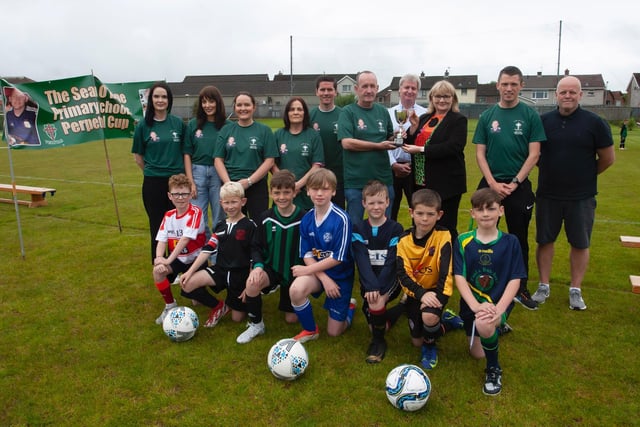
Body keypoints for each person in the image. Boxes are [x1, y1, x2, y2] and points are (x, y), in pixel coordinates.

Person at [532, 76, 615, 310]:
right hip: (548, 194)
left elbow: (608, 158)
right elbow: (535, 156)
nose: (567, 96)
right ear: (556, 94)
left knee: (580, 243)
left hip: (582, 197)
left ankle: (575, 290)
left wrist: (585, 177)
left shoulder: (595, 123)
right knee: (545, 240)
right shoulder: (543, 121)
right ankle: (543, 285)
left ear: (580, 95)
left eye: (572, 92)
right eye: (563, 92)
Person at [472, 65, 545, 311]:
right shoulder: (487, 116)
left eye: (514, 84)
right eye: (505, 84)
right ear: (497, 85)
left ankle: (520, 288)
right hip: (490, 183)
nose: (509, 88)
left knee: (518, 237)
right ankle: (480, 281)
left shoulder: (530, 115)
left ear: (521, 86)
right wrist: (492, 183)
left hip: (518, 187)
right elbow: (480, 153)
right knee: (482, 234)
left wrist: (514, 183)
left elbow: (534, 154)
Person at [453, 188, 525, 396]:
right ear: (472, 214)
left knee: (485, 324)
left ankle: (493, 369)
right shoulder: (464, 241)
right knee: (477, 353)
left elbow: (515, 279)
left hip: (497, 304)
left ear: (501, 211)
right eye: (480, 209)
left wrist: (498, 309)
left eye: (491, 209)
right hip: (472, 304)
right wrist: (475, 306)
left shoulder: (510, 242)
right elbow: (459, 277)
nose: (485, 214)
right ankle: (493, 328)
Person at [236, 170, 306, 344]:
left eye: (286, 192)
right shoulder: (265, 218)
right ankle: (256, 324)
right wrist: (258, 267)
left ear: (294, 192)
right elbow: (256, 246)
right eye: (277, 192)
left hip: (294, 271)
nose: (282, 197)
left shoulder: (304, 218)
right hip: (271, 268)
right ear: (270, 193)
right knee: (252, 283)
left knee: (291, 319)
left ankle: (293, 296)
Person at [396, 189, 462, 370]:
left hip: (437, 290)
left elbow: (446, 272)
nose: (425, 219)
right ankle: (446, 323)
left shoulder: (444, 236)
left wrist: (439, 299)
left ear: (439, 215)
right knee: (416, 340)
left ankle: (430, 347)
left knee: (429, 317)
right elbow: (403, 274)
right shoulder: (403, 240)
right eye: (420, 213)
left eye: (430, 214)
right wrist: (421, 294)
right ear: (411, 213)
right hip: (416, 291)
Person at [289, 168, 356, 342]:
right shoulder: (307, 219)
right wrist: (323, 278)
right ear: (308, 191)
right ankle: (310, 330)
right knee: (296, 290)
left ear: (333, 191)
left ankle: (349, 308)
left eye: (325, 189)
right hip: (320, 273)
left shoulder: (342, 219)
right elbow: (306, 253)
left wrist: (307, 270)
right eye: (315, 189)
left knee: (335, 332)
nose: (320, 193)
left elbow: (338, 257)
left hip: (341, 275)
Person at [180, 181, 257, 327]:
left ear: (243, 201)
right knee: (187, 284)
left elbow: (255, 255)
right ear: (221, 203)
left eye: (234, 202)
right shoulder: (221, 225)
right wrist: (189, 272)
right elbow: (208, 248)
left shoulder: (250, 225)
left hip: (239, 275)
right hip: (220, 270)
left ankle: (235, 303)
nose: (230, 206)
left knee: (237, 318)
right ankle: (219, 306)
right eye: (226, 203)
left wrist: (249, 284)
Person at [404, 79, 468, 238]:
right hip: (420, 182)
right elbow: (409, 142)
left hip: (446, 184)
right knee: (421, 226)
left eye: (446, 96)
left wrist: (421, 149)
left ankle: (448, 261)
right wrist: (412, 127)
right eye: (438, 96)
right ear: (431, 98)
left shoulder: (458, 120)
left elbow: (454, 147)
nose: (442, 100)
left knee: (444, 228)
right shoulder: (425, 118)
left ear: (453, 98)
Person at [132, 82, 186, 263]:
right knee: (158, 224)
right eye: (156, 96)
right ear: (151, 99)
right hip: (153, 183)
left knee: (178, 225)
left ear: (169, 100)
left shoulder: (178, 123)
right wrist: (152, 171)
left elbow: (186, 153)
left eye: (164, 97)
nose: (160, 100)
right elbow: (138, 156)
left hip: (177, 184)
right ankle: (159, 263)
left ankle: (177, 263)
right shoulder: (143, 126)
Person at [351, 180, 404, 363]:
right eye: (371, 202)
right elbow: (362, 261)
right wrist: (370, 286)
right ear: (364, 203)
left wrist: (378, 289)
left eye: (380, 202)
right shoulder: (358, 229)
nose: (376, 207)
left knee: (376, 304)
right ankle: (402, 307)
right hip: (369, 282)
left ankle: (378, 343)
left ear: (388, 203)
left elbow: (391, 263)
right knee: (378, 323)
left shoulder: (395, 228)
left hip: (390, 281)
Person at [338, 70, 396, 224]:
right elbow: (347, 143)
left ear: (377, 88)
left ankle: (383, 249)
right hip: (356, 181)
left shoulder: (383, 112)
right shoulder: (348, 112)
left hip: (383, 179)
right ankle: (356, 249)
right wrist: (378, 146)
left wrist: (399, 135)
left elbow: (389, 138)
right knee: (355, 226)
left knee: (385, 224)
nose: (369, 90)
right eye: (364, 86)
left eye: (372, 86)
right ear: (357, 89)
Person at [151, 174, 207, 325]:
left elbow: (185, 239)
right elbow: (161, 240)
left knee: (196, 300)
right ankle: (170, 305)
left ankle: (202, 291)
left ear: (190, 195)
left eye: (184, 194)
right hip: (178, 260)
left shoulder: (195, 212)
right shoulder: (168, 215)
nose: (180, 197)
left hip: (196, 260)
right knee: (158, 271)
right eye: (176, 194)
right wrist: (159, 259)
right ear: (170, 196)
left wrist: (167, 259)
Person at [214, 91, 278, 220]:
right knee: (236, 228)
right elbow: (218, 160)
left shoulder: (264, 130)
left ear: (254, 107)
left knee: (259, 225)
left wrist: (249, 181)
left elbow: (269, 161)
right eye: (239, 105)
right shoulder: (226, 130)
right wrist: (229, 184)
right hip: (232, 185)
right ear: (234, 108)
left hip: (256, 186)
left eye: (247, 105)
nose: (243, 108)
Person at [184, 85, 229, 241]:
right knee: (199, 219)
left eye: (211, 101)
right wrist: (191, 181)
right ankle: (205, 254)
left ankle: (218, 258)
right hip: (198, 173)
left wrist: (225, 180)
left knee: (219, 217)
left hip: (218, 174)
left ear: (218, 102)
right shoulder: (192, 125)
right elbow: (187, 154)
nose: (207, 105)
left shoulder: (227, 126)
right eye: (204, 102)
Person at [273, 97, 324, 210]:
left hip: (306, 192)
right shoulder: (278, 135)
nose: (296, 112)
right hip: (283, 191)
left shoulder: (313, 135)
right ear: (287, 113)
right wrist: (286, 184)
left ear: (305, 113)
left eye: (299, 109)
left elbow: (317, 165)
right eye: (292, 109)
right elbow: (272, 163)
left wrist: (298, 185)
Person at [388, 74, 427, 221]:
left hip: (416, 168)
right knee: (390, 208)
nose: (409, 91)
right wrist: (394, 164)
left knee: (418, 207)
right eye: (406, 87)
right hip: (392, 168)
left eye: (413, 88)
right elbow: (384, 143)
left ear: (417, 91)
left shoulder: (425, 113)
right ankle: (391, 241)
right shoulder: (389, 113)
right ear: (399, 90)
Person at [310, 76, 345, 208]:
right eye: (322, 89)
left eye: (329, 89)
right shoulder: (310, 116)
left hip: (339, 176)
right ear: (316, 92)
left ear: (335, 92)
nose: (326, 93)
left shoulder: (344, 115)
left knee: (338, 211)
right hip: (315, 175)